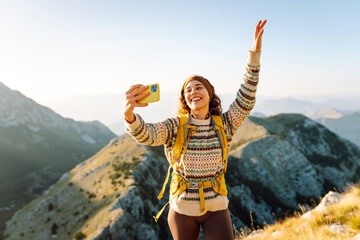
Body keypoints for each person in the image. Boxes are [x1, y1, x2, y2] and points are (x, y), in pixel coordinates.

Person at [123, 20, 267, 240]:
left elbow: (246, 97)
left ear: (210, 94)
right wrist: (129, 116)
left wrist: (254, 55)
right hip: (181, 212)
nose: (193, 92)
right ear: (185, 100)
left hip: (216, 210)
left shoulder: (224, 125)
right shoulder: (174, 126)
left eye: (199, 87)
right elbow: (147, 134)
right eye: (188, 90)